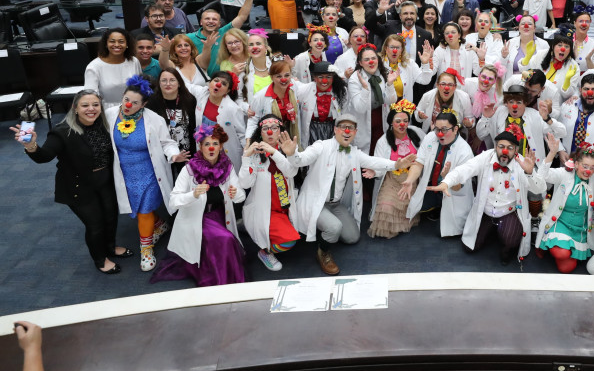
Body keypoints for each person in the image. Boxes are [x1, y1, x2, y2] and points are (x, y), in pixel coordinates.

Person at [12, 90, 130, 274]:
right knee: (95, 224)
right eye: (85, 105)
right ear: (75, 108)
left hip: (105, 181)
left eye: (95, 105)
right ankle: (100, 259)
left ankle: (110, 247)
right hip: (78, 186)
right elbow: (44, 157)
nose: (91, 109)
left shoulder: (103, 125)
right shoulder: (62, 132)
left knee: (111, 216)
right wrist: (31, 146)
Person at [283, 114, 416, 275]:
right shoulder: (321, 146)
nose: (347, 131)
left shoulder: (354, 152)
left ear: (355, 132)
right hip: (316, 202)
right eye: (343, 127)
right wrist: (292, 154)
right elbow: (301, 160)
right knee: (335, 227)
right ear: (335, 130)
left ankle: (326, 229)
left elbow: (373, 161)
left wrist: (396, 164)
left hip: (335, 204)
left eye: (351, 128)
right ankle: (322, 252)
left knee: (352, 237)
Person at [107, 76, 189, 271]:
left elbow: (166, 143)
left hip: (149, 172)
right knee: (137, 208)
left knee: (143, 210)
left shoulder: (154, 119)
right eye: (126, 99)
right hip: (124, 172)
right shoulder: (109, 114)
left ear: (143, 104)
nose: (128, 104)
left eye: (135, 102)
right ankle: (159, 224)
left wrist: (174, 155)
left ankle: (146, 249)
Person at [152, 124, 246, 286]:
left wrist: (235, 193)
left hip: (219, 216)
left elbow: (240, 196)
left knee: (224, 239)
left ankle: (225, 276)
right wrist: (193, 194)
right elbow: (173, 201)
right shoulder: (189, 169)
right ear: (200, 146)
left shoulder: (227, 167)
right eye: (207, 144)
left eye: (215, 144)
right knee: (225, 239)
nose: (211, 148)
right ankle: (221, 280)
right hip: (196, 219)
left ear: (221, 146)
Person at [429, 129, 541, 264]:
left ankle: (506, 248)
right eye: (501, 147)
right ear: (495, 147)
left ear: (515, 150)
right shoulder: (485, 157)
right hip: (486, 212)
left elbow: (539, 188)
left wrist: (530, 173)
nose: (505, 151)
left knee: (510, 240)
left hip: (508, 212)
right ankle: (492, 231)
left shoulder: (522, 164)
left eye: (510, 148)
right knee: (469, 247)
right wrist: (447, 182)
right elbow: (464, 169)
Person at [238, 114, 300, 271]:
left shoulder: (288, 148)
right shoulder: (254, 153)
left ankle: (248, 227)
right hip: (266, 210)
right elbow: (245, 183)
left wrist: (275, 153)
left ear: (280, 131)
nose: (270, 132)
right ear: (260, 133)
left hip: (285, 206)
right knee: (288, 241)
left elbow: (291, 172)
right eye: (265, 128)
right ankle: (265, 251)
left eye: (274, 128)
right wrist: (246, 157)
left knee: (301, 231)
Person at [534, 141, 594, 272]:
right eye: (585, 166)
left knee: (567, 268)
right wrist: (552, 153)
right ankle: (548, 244)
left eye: (592, 167)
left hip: (580, 229)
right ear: (576, 164)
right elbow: (542, 176)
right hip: (560, 223)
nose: (589, 171)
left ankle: (555, 246)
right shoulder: (565, 174)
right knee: (562, 254)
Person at [367, 100, 424, 238]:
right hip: (391, 180)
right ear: (391, 122)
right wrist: (374, 171)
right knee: (386, 209)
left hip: (411, 179)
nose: (402, 124)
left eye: (405, 120)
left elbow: (428, 150)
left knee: (408, 210)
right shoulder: (383, 141)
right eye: (398, 121)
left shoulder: (417, 133)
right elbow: (379, 163)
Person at [187, 0, 257, 76]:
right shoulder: (190, 38)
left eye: (214, 19)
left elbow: (242, 16)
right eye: (207, 19)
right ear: (200, 22)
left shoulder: (225, 32)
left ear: (219, 23)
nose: (211, 21)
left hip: (225, 79)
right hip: (201, 81)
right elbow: (172, 45)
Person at [147, 68, 198, 178]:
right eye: (164, 80)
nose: (168, 84)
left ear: (179, 83)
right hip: (162, 154)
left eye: (172, 80)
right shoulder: (152, 102)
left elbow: (194, 128)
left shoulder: (189, 100)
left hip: (186, 154)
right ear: (159, 83)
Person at [349, 44, 399, 154]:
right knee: (365, 154)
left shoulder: (381, 74)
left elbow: (391, 101)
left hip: (380, 118)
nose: (371, 62)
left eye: (373, 58)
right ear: (360, 63)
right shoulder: (354, 79)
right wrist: (365, 88)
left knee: (380, 151)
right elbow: (360, 108)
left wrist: (390, 84)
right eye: (366, 59)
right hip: (363, 121)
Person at [292, 60, 349, 147]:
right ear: (314, 77)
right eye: (320, 77)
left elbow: (344, 113)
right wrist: (290, 67)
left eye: (329, 77)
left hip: (332, 129)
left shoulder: (341, 91)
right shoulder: (304, 90)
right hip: (312, 131)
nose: (325, 81)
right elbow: (292, 83)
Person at [84, 29, 142, 109]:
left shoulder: (134, 61)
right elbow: (90, 97)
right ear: (106, 44)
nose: (117, 44)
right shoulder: (94, 67)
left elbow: (140, 87)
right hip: (107, 111)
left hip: (133, 108)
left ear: (127, 44)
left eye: (121, 41)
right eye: (112, 41)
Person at [380, 34, 434, 103]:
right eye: (392, 47)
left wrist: (425, 63)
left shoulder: (409, 63)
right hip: (386, 107)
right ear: (385, 48)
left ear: (402, 49)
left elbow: (424, 80)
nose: (395, 51)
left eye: (398, 47)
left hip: (405, 106)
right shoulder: (379, 64)